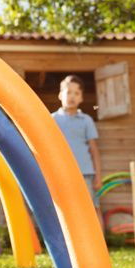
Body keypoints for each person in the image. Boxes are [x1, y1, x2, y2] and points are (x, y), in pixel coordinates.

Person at [51, 75, 102, 215]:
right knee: (64, 211)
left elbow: (94, 150)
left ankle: (99, 238)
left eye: (76, 93)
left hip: (85, 174)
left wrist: (98, 175)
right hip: (60, 174)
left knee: (92, 210)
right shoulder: (51, 120)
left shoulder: (86, 120)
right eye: (68, 92)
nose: (72, 96)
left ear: (81, 98)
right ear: (60, 95)